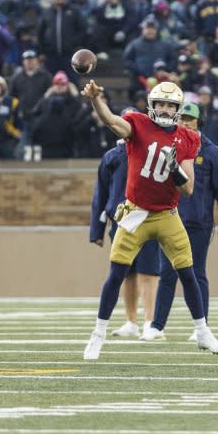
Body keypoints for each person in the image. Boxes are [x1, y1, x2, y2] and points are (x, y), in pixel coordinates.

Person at [79, 79, 218, 360]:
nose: (165, 109)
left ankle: (203, 332)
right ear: (151, 105)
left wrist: (175, 170)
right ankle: (98, 334)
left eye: (171, 105)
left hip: (167, 214)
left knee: (188, 272)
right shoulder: (138, 124)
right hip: (135, 211)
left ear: (178, 109)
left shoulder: (188, 138)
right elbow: (111, 121)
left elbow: (189, 188)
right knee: (117, 273)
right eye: (160, 103)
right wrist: (96, 100)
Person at [142, 102, 218, 341]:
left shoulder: (211, 152)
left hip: (199, 222)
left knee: (197, 273)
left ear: (198, 122)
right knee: (167, 273)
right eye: (181, 120)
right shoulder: (169, 146)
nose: (183, 124)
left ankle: (200, 327)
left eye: (189, 120)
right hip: (170, 218)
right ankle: (157, 326)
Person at [91, 137, 161, 337]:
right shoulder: (112, 156)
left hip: (148, 217)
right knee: (125, 273)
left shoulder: (151, 153)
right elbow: (101, 195)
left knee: (149, 272)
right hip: (121, 220)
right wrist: (97, 230)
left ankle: (150, 322)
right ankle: (131, 322)